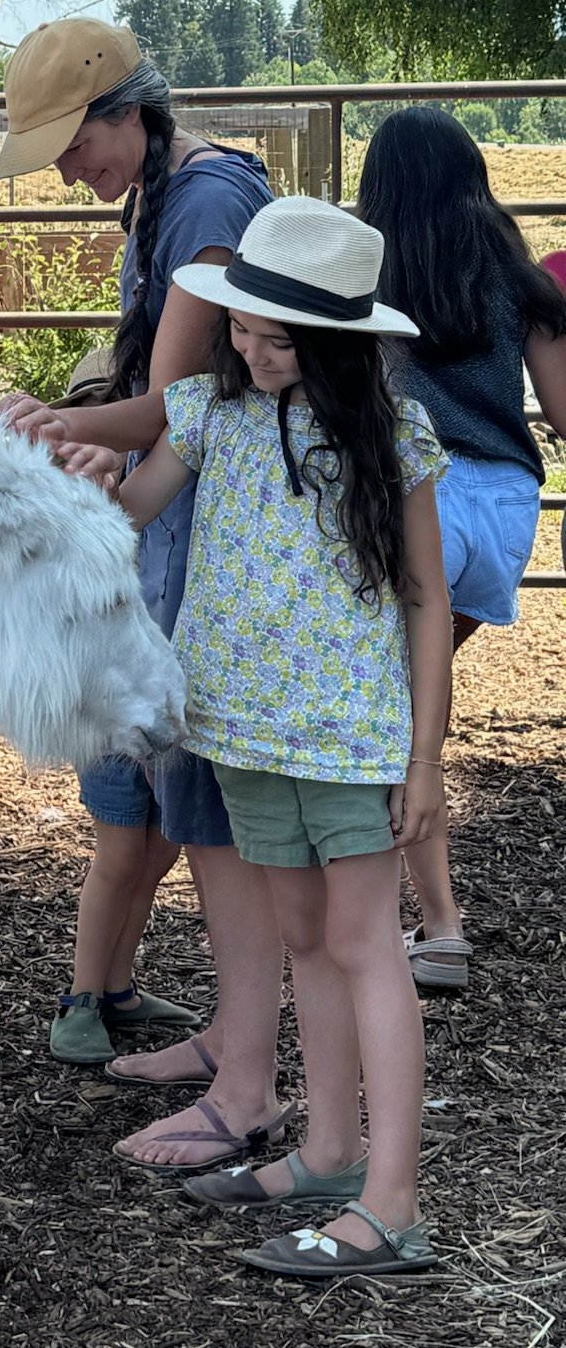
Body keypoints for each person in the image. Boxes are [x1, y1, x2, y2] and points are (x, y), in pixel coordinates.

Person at [120, 198, 449, 1277]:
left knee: (364, 948)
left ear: (339, 343)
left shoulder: (390, 437)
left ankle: (391, 1204)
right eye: (245, 327)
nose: (253, 347)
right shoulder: (214, 410)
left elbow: (427, 599)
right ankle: (327, 1151)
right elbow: (134, 505)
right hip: (242, 730)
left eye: (278, 334)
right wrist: (78, 492)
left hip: (348, 741)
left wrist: (425, 757)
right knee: (305, 938)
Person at [0, 18, 289, 1168]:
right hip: (191, 520)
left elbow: (171, 407)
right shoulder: (168, 199)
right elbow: (163, 399)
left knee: (206, 799)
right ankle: (231, 1032)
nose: (70, 169)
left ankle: (246, 1072)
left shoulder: (202, 204)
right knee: (192, 793)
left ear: (131, 113)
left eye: (74, 142)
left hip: (210, 532)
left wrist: (53, 422)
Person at [358, 107, 566, 990]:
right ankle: (427, 928)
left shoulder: (367, 272)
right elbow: (562, 413)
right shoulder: (519, 277)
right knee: (415, 709)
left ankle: (431, 931)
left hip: (421, 501)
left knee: (396, 721)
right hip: (505, 511)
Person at [41, 344, 201, 1064]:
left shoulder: (179, 476)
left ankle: (117, 987)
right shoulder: (76, 513)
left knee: (161, 847)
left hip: (172, 689)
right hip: (112, 705)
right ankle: (81, 993)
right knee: (119, 850)